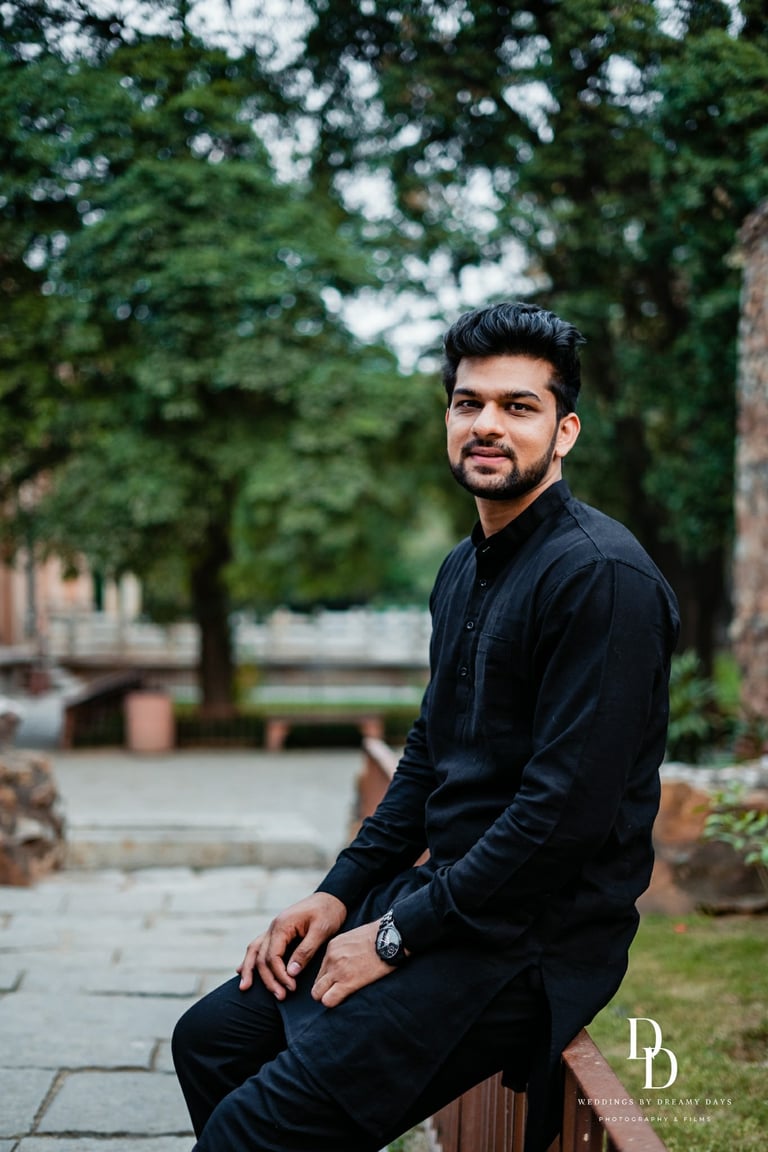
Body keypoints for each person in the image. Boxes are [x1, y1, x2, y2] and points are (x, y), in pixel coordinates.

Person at [172, 301, 680, 1152]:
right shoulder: (463, 568)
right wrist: (338, 893)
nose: (487, 425)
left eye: (518, 406)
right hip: (450, 901)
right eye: (468, 402)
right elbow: (428, 758)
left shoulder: (601, 578)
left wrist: (394, 938)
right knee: (211, 1041)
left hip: (529, 942)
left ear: (564, 432)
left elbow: (561, 820)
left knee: (253, 1130)